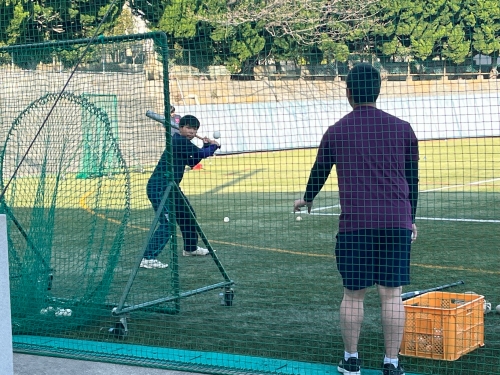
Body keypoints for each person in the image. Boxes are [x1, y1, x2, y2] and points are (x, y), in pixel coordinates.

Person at [293, 63, 419, 375]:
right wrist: (410, 219)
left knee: (353, 295)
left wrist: (307, 198)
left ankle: (351, 360)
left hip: (356, 225)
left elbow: (320, 170)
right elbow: (412, 181)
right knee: (392, 294)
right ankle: (392, 363)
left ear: (348, 92)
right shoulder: (403, 128)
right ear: (378, 90)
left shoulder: (337, 130)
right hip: (395, 222)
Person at [140, 115, 220, 269]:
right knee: (168, 224)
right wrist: (212, 147)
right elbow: (200, 155)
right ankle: (148, 257)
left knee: (188, 214)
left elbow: (193, 161)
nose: (191, 131)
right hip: (159, 187)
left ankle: (190, 248)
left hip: (172, 187)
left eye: (194, 129)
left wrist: (205, 147)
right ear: (181, 128)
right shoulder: (178, 141)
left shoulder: (184, 143)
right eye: (188, 128)